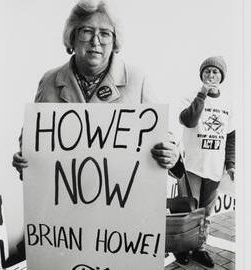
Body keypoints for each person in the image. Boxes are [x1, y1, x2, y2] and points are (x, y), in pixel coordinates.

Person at [12, 0, 181, 181]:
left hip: (119, 198)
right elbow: (33, 139)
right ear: (72, 37)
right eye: (87, 31)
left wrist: (173, 155)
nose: (96, 41)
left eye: (105, 34)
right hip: (64, 196)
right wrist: (24, 160)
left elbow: (163, 137)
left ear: (115, 41)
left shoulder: (137, 80)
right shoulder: (49, 81)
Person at [176, 56, 235, 268]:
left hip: (214, 167)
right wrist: (202, 95)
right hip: (193, 165)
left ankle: (200, 248)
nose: (211, 75)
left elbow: (230, 137)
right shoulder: (190, 96)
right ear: (202, 74)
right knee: (189, 209)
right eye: (207, 71)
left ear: (222, 76)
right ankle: (182, 248)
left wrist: (231, 164)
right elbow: (189, 120)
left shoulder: (228, 103)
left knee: (206, 212)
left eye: (215, 72)